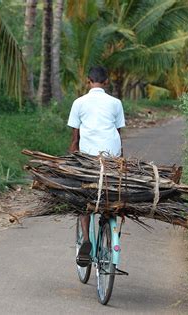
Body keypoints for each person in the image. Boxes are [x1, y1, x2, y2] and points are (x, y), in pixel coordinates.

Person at [67, 65, 125, 267]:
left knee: (84, 199)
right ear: (107, 82)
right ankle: (109, 224)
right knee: (111, 193)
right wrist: (120, 160)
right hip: (111, 157)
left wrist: (72, 160)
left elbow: (75, 138)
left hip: (89, 158)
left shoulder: (79, 102)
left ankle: (85, 240)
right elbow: (118, 133)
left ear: (88, 81)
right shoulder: (116, 103)